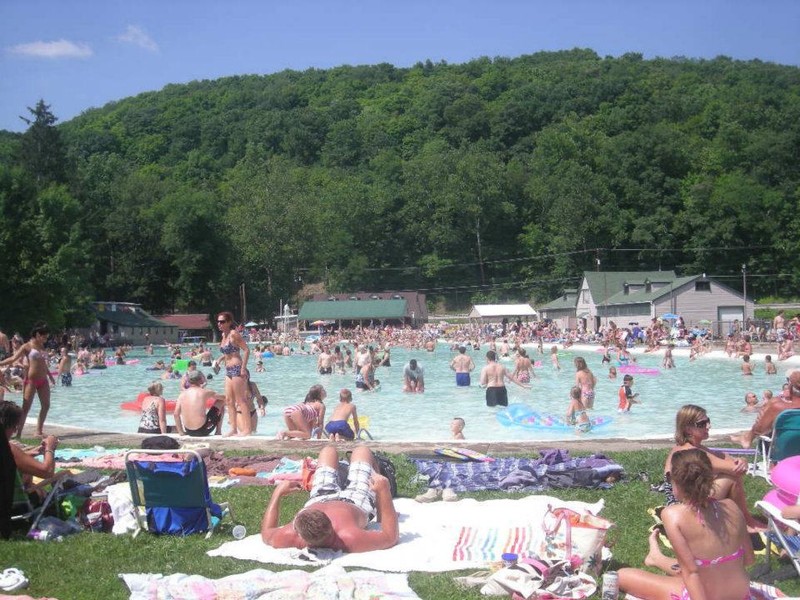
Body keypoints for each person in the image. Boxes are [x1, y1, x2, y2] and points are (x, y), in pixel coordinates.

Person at [619, 449, 754, 600]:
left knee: (621, 575)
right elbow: (749, 559)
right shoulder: (732, 506)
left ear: (675, 483)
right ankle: (656, 558)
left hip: (703, 596)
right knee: (700, 568)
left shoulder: (672, 515)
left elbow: (692, 573)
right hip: (741, 595)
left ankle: (656, 558)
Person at [261, 444, 399, 552]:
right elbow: (390, 536)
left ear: (297, 530)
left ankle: (345, 468)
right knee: (362, 451)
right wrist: (384, 491)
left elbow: (266, 532)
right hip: (356, 500)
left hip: (319, 496)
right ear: (332, 526)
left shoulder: (288, 536)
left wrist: (277, 494)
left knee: (328, 451)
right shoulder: (349, 538)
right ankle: (378, 477)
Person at [667, 405, 765, 530]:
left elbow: (726, 457)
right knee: (731, 478)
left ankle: (742, 519)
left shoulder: (691, 447)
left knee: (726, 474)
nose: (708, 426)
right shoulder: (692, 452)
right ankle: (747, 522)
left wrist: (743, 459)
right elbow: (736, 469)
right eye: (701, 424)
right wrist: (740, 463)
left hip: (684, 498)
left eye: (708, 421)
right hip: (683, 503)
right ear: (688, 429)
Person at [0, 323, 56, 438]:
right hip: (31, 381)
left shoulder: (41, 346)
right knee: (26, 408)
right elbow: (13, 358)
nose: (46, 339)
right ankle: (19, 433)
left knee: (46, 405)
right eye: (44, 337)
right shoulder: (27, 346)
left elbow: (43, 363)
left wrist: (50, 376)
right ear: (37, 334)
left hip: (43, 381)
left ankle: (38, 431)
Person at [732, 369, 800, 448]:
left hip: (783, 451)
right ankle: (746, 437)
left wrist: (771, 404)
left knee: (765, 423)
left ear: (790, 387)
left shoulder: (779, 406)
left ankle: (747, 438)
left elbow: (759, 430)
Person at [216, 311, 250, 436]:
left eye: (222, 321)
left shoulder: (233, 334)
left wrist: (243, 368)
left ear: (229, 322)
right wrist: (220, 360)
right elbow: (226, 353)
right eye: (218, 321)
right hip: (228, 370)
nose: (219, 324)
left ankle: (247, 429)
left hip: (237, 368)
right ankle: (233, 428)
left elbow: (246, 350)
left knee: (241, 400)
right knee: (229, 400)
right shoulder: (223, 336)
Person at [173, 370, 225, 437]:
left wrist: (181, 432)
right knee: (221, 401)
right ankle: (218, 431)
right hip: (202, 430)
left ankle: (181, 431)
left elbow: (176, 414)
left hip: (188, 430)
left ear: (188, 381)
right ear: (200, 380)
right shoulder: (205, 392)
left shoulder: (182, 394)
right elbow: (224, 398)